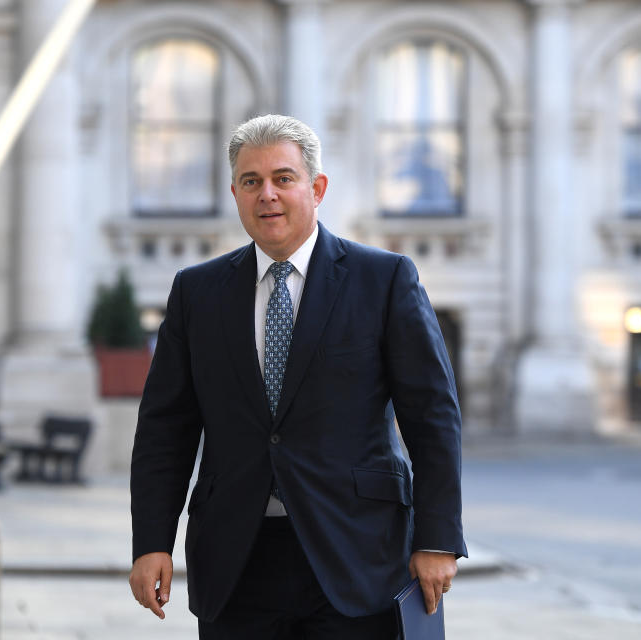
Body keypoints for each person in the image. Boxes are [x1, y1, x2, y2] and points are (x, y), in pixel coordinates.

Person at [129, 114, 466, 639]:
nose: (268, 194)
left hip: (356, 554)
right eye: (251, 181)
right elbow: (163, 429)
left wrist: (438, 538)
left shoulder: (384, 279)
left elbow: (433, 418)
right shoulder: (197, 292)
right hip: (236, 561)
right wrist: (152, 540)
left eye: (283, 178)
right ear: (235, 194)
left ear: (317, 187)